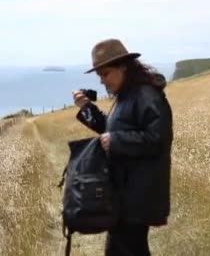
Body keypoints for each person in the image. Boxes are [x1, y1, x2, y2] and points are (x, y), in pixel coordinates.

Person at [72, 38, 173, 256]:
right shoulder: (128, 96)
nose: (102, 82)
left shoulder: (147, 95)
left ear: (123, 67)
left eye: (105, 74)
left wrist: (117, 141)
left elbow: (158, 138)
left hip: (137, 197)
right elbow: (109, 128)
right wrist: (86, 108)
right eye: (100, 76)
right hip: (126, 194)